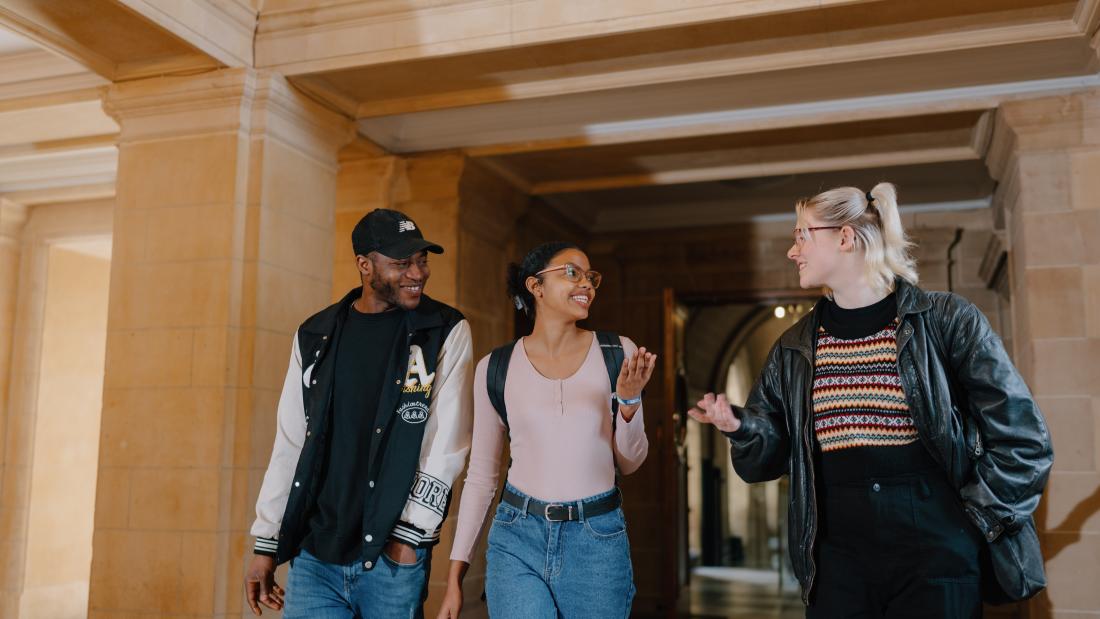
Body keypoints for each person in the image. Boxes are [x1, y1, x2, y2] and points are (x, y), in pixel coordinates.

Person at [688, 184, 1052, 618]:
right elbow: (763, 461)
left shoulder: (948, 320)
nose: (792, 250)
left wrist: (975, 521)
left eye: (802, 234)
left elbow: (1024, 439)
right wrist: (741, 427)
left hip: (937, 552)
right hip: (837, 560)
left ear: (844, 238)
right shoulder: (793, 348)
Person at [244, 208, 474, 618]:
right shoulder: (315, 335)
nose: (417, 273)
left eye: (422, 261)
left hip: (391, 556)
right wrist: (268, 541)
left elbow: (446, 446)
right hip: (315, 556)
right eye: (402, 263)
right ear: (365, 265)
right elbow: (292, 440)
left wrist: (410, 537)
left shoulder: (443, 329)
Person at [436, 242, 656, 619]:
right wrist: (456, 574)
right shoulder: (495, 367)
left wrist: (630, 402)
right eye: (572, 272)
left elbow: (631, 462)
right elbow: (482, 476)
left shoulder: (616, 351)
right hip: (516, 537)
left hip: (597, 540)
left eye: (591, 276)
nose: (586, 283)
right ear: (535, 286)